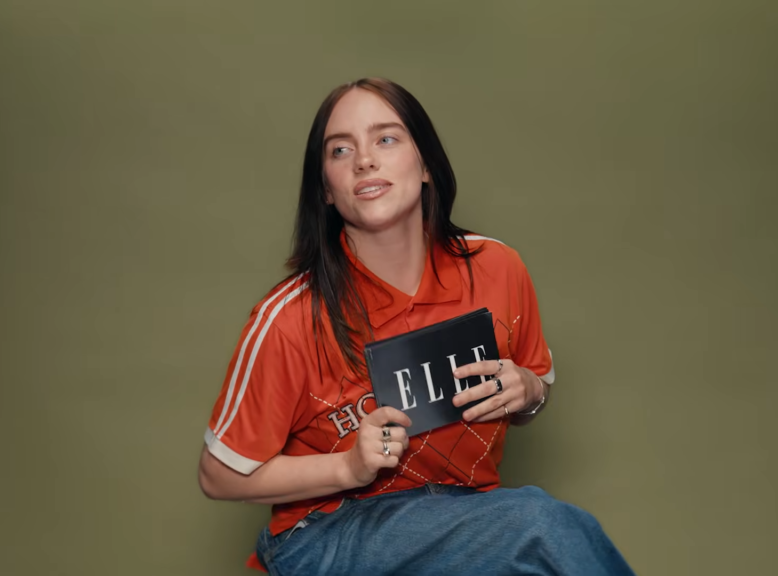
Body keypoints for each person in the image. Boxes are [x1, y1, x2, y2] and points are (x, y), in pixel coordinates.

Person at [197, 77, 634, 575]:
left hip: (464, 518)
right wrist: (348, 466)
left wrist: (529, 389)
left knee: (537, 538)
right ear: (325, 189)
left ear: (425, 164)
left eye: (386, 138)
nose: (364, 160)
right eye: (341, 150)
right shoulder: (291, 317)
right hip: (328, 533)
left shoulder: (498, 268)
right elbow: (219, 477)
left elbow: (535, 392)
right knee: (543, 529)